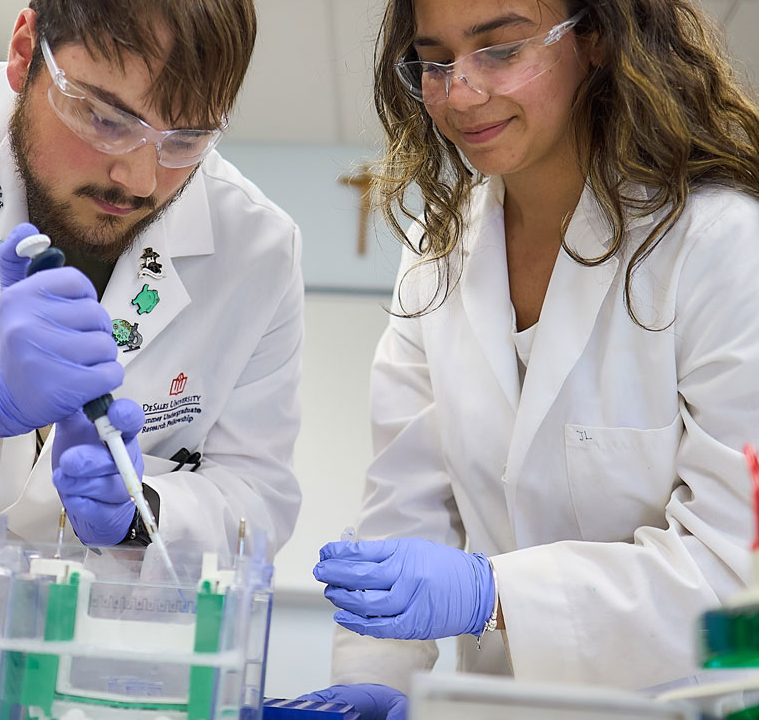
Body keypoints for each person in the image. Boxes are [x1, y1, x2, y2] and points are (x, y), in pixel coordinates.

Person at [0, 0, 304, 676]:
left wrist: (136, 514)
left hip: (71, 680)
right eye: (106, 118)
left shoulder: (258, 252)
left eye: (184, 141)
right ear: (24, 49)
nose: (140, 178)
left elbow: (257, 497)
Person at [303, 0, 759, 714]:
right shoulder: (438, 257)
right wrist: (372, 681)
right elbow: (405, 515)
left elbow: (733, 570)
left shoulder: (723, 245)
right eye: (435, 60)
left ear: (598, 40)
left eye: (502, 50)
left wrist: (495, 594)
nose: (461, 93)